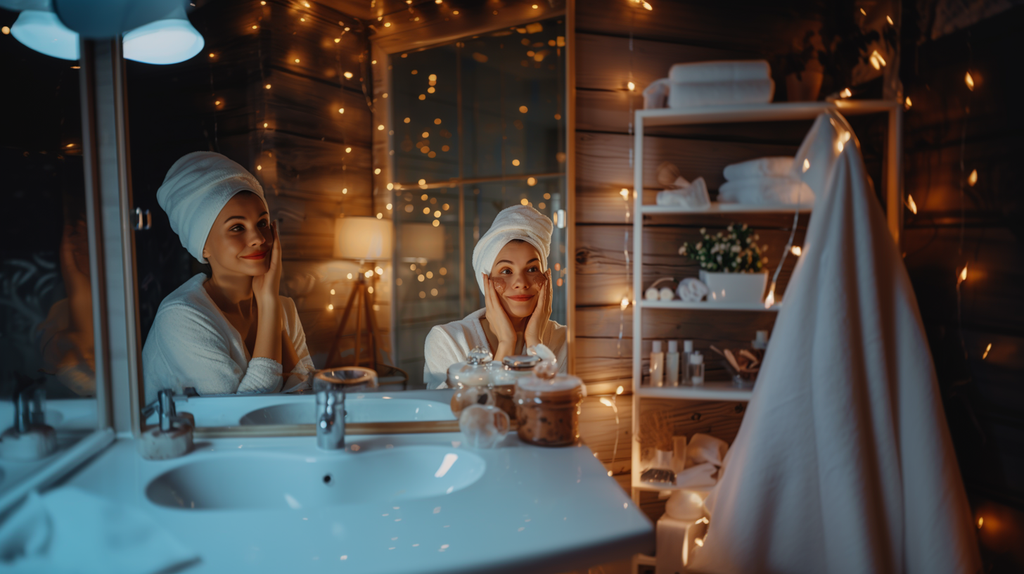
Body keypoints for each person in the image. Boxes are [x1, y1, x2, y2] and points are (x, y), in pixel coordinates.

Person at [142, 152, 315, 402]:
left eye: (263, 222)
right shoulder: (181, 316)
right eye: (237, 227)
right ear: (203, 246)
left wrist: (270, 305)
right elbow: (240, 414)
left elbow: (308, 393)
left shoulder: (283, 307)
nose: (258, 237)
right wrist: (268, 306)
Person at [423, 205, 566, 388]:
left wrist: (535, 345)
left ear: (546, 278)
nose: (521, 282)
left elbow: (551, 411)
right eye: (506, 271)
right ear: (486, 280)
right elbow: (465, 414)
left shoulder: (564, 340)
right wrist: (506, 344)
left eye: (532, 269)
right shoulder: (448, 341)